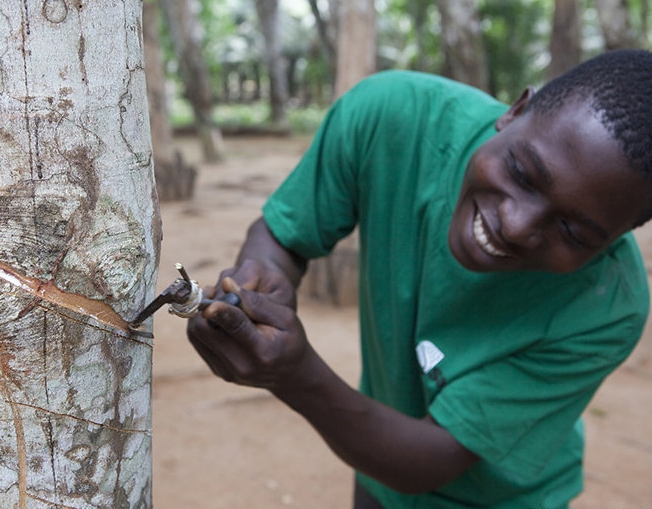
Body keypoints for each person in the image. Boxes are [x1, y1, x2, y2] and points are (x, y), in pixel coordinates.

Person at [185, 49, 652, 508]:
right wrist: (258, 283)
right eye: (523, 173)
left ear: (619, 235)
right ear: (516, 111)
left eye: (571, 231)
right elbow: (283, 235)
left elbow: (433, 459)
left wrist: (294, 376)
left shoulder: (610, 305)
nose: (515, 225)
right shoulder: (392, 119)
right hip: (374, 467)